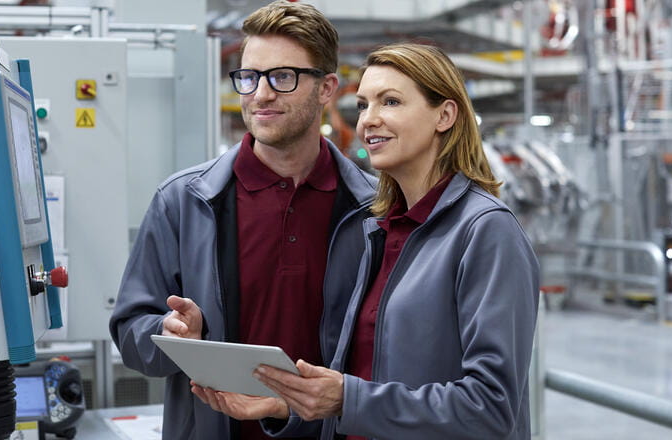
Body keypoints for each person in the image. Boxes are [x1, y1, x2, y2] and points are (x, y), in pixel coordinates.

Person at [197, 43, 540, 439]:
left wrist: (347, 399)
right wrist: (292, 404)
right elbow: (371, 381)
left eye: (390, 102)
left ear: (445, 116)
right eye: (362, 105)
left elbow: (491, 408)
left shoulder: (485, 231)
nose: (368, 121)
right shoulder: (380, 230)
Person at [109, 0, 376, 440]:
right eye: (249, 77)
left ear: (327, 88)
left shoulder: (372, 210)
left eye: (283, 77)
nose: (261, 94)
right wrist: (172, 333)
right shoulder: (183, 202)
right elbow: (131, 334)